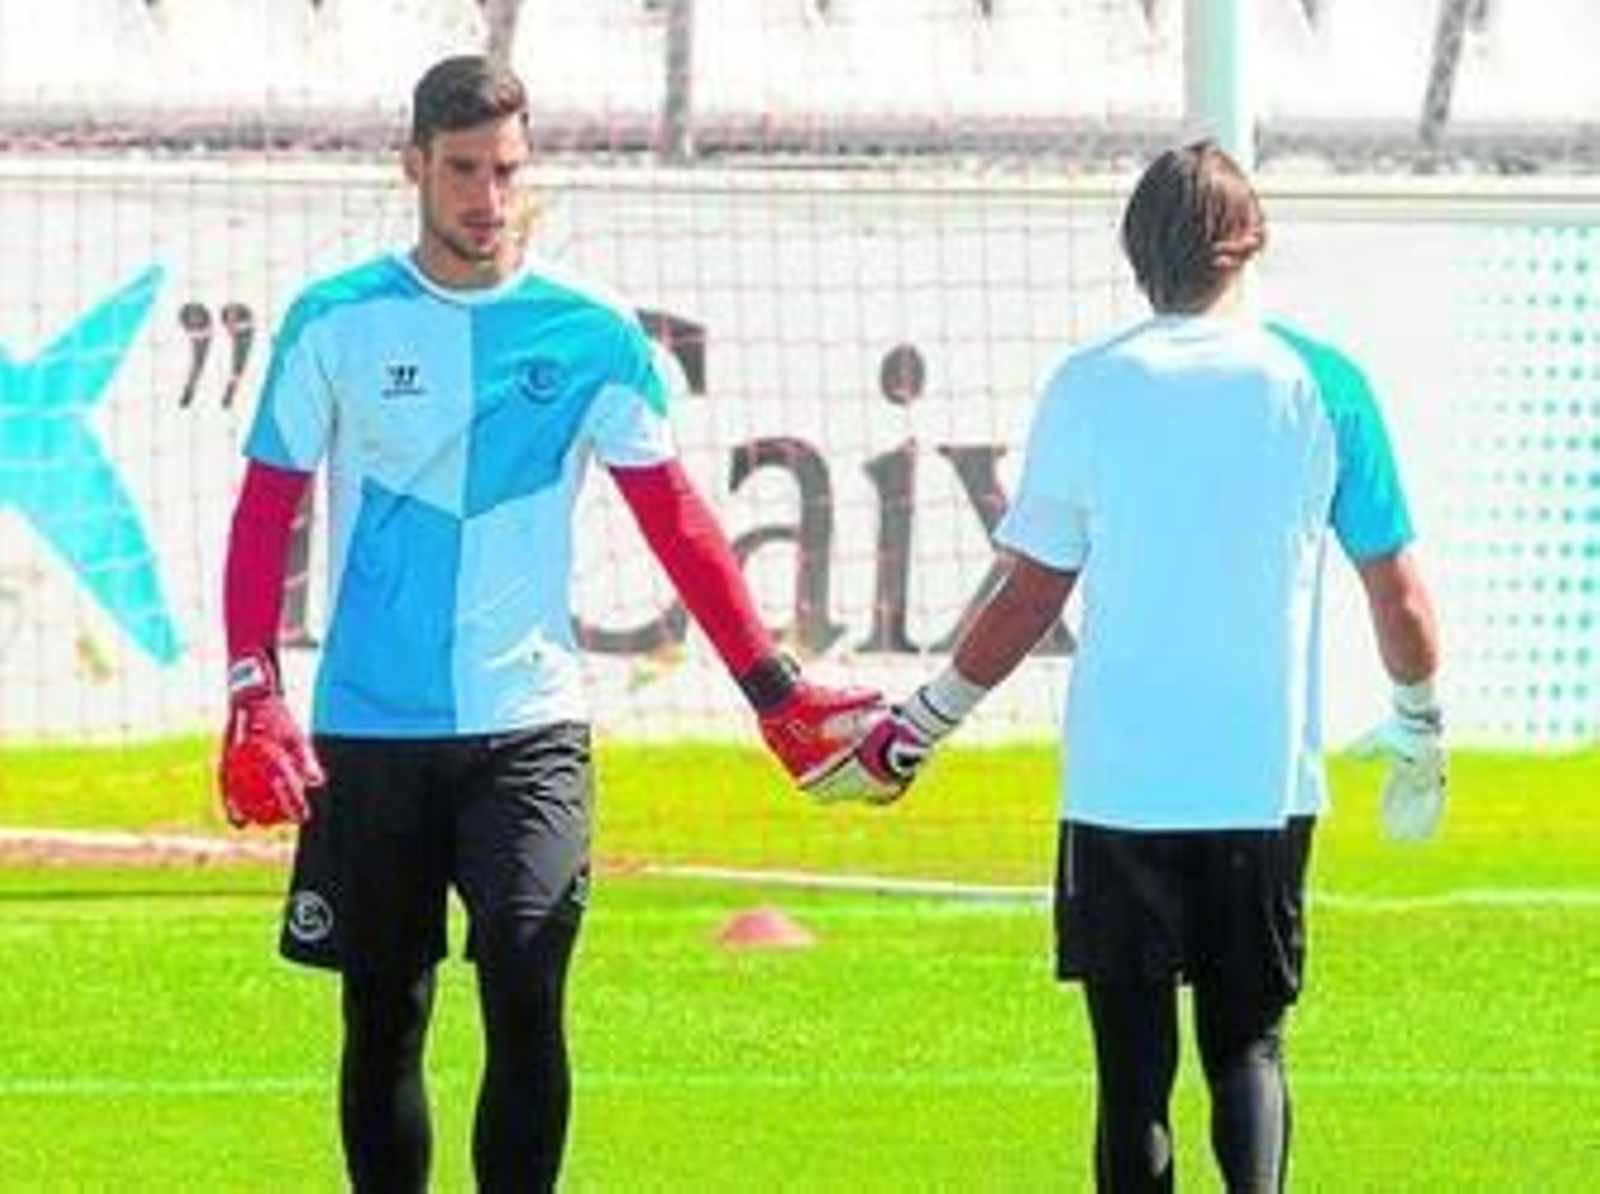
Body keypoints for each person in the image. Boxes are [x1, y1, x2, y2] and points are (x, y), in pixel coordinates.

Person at [216, 54, 880, 1193]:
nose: (487, 197)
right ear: (413, 165)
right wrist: (251, 689)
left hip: (531, 724)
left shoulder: (592, 331)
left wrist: (772, 689)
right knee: (386, 1016)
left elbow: (674, 517)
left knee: (526, 984)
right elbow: (264, 511)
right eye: (463, 169)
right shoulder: (332, 321)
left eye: (506, 171)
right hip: (371, 729)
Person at [848, 140, 1445, 1191]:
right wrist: (1420, 729)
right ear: (1251, 242)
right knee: (1248, 1051)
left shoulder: (1089, 384)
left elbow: (1029, 594)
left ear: (1135, 256)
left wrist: (919, 727)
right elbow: (1395, 589)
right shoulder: (1324, 382)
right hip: (1259, 786)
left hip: (1121, 788)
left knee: (1131, 1078)